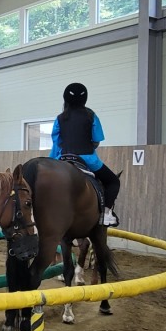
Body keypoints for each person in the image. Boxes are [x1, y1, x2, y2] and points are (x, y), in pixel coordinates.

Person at [50, 82, 120, 226]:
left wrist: (54, 160)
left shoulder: (60, 118)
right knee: (113, 181)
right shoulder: (91, 115)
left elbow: (56, 141)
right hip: (88, 159)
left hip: (62, 159)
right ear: (85, 98)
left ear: (65, 98)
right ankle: (106, 214)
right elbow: (96, 139)